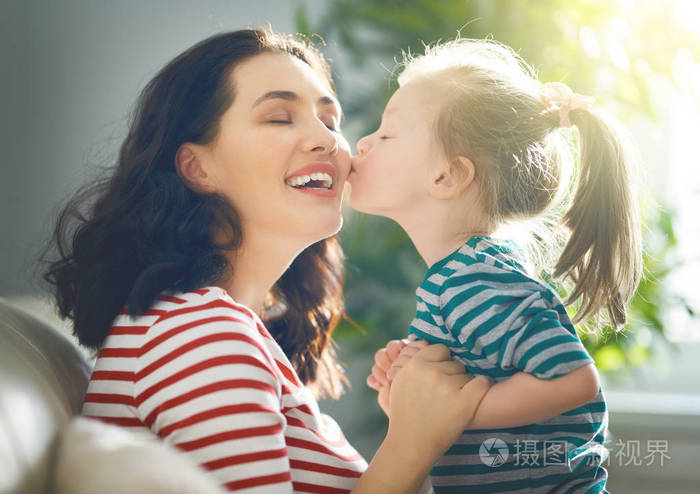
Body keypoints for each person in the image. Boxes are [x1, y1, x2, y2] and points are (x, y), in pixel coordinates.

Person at [42, 29, 491, 493]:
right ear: (197, 168)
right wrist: (412, 444)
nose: (327, 141)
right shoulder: (202, 333)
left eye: (330, 121)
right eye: (279, 118)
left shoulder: (207, 328)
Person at [350, 38, 642, 493]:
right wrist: (405, 395)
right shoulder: (463, 275)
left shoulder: (472, 279)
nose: (363, 143)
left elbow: (573, 378)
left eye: (386, 134)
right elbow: (454, 404)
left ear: (446, 176)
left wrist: (452, 411)